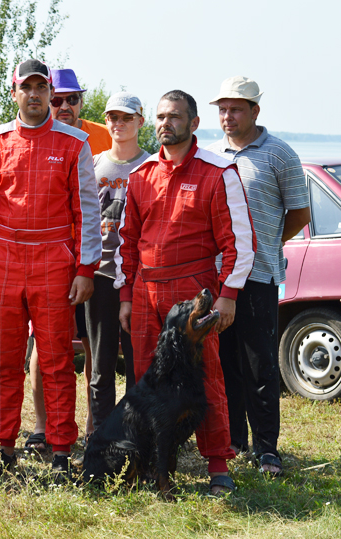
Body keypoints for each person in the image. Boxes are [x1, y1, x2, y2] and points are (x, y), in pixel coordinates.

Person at [115, 90, 256, 496]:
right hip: (145, 289)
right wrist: (126, 294)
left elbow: (239, 243)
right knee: (146, 379)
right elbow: (127, 241)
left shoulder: (218, 172)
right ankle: (151, 465)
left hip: (194, 289)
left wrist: (228, 294)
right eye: (160, 116)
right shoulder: (141, 175)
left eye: (174, 116)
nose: (165, 123)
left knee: (206, 376)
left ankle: (217, 465)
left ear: (194, 123)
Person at [0, 59, 101, 477]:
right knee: (5, 362)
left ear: (51, 94)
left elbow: (88, 212)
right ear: (15, 93)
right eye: (28, 88)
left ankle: (61, 452)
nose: (36, 94)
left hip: (54, 264)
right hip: (3, 261)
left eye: (43, 88)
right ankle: (2, 448)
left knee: (57, 361)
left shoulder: (75, 142)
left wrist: (85, 268)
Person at [206, 76, 311, 476]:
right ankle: (233, 441)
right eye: (222, 109)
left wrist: (264, 242)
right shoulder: (210, 154)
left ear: (255, 111)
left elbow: (300, 214)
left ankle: (267, 449)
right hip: (217, 278)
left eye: (235, 109)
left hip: (261, 275)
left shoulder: (279, 154)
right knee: (224, 363)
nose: (227, 116)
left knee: (260, 366)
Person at [26, 67, 111, 452]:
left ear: (81, 101)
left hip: (92, 261)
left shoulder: (104, 135)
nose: (63, 106)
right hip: (47, 262)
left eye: (72, 98)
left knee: (94, 346)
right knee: (44, 347)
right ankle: (43, 428)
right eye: (57, 99)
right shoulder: (32, 136)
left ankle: (95, 426)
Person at [86, 93, 148, 433]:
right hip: (99, 274)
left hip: (139, 279)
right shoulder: (93, 164)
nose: (118, 124)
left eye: (126, 118)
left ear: (141, 121)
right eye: (112, 117)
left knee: (139, 364)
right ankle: (101, 435)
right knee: (101, 364)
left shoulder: (151, 165)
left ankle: (134, 434)